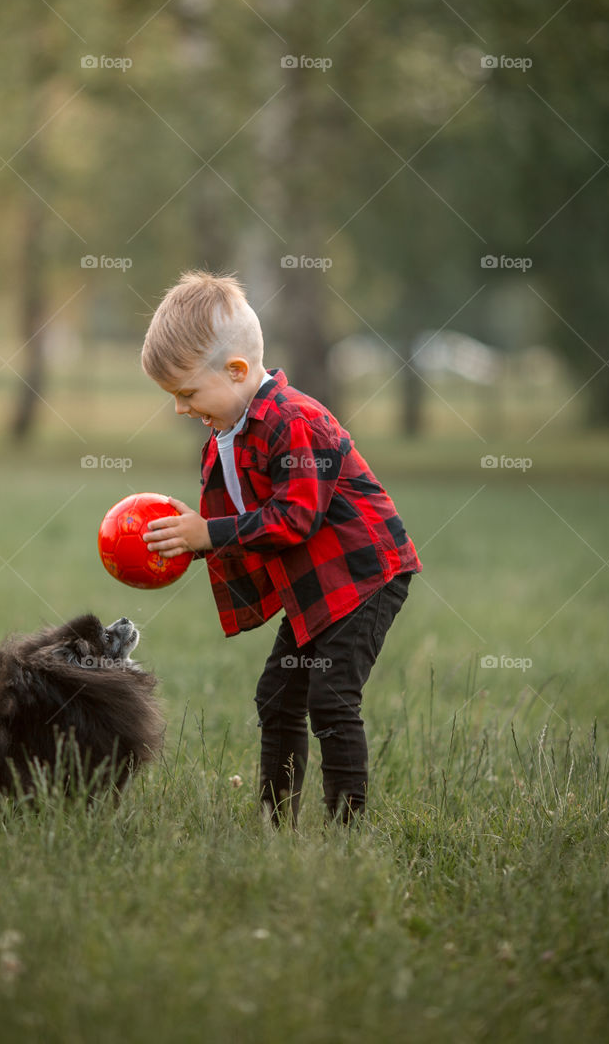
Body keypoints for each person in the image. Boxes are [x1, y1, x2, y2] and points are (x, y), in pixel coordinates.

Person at [140, 270, 421, 826]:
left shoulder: (296, 420)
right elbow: (238, 512)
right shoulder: (234, 429)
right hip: (315, 587)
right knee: (278, 697)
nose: (180, 409)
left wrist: (209, 534)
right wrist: (187, 537)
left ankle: (348, 829)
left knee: (331, 698)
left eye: (187, 393)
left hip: (364, 578)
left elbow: (293, 518)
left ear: (238, 370)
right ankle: (275, 825)